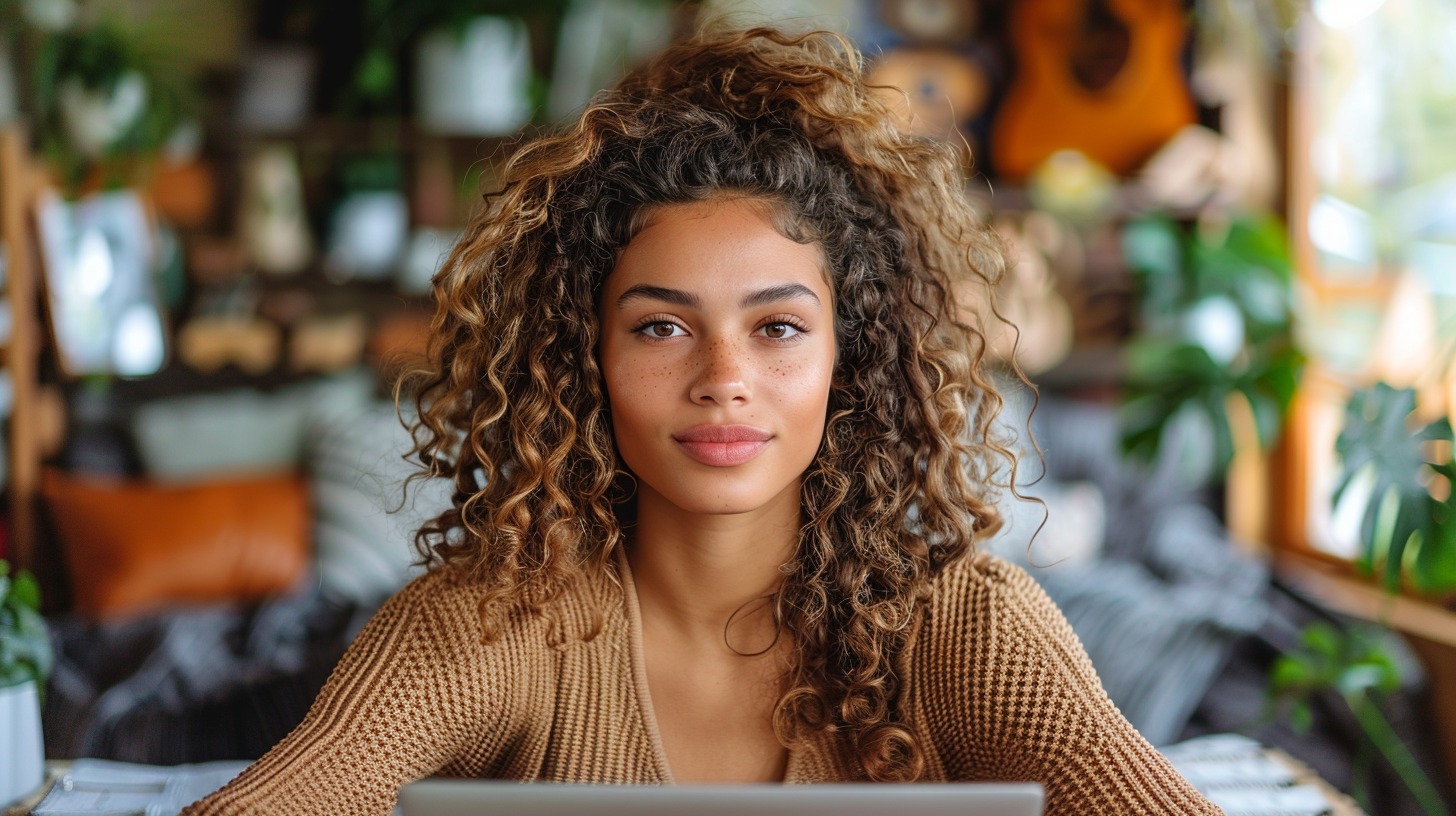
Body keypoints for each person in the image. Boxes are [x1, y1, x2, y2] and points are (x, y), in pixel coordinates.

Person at [185, 26, 1221, 816]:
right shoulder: (489, 626)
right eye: (661, 328)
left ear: (846, 357)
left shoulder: (965, 627)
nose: (724, 379)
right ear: (580, 357)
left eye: (775, 327)